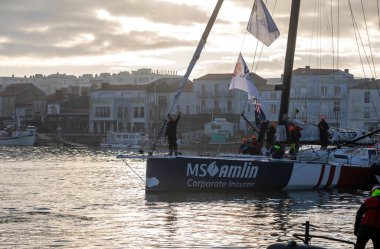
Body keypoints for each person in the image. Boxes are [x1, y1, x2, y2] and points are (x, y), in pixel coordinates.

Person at [354, 184, 380, 249]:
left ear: (373, 192)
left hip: (364, 229)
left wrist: (356, 229)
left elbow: (359, 215)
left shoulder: (368, 200)